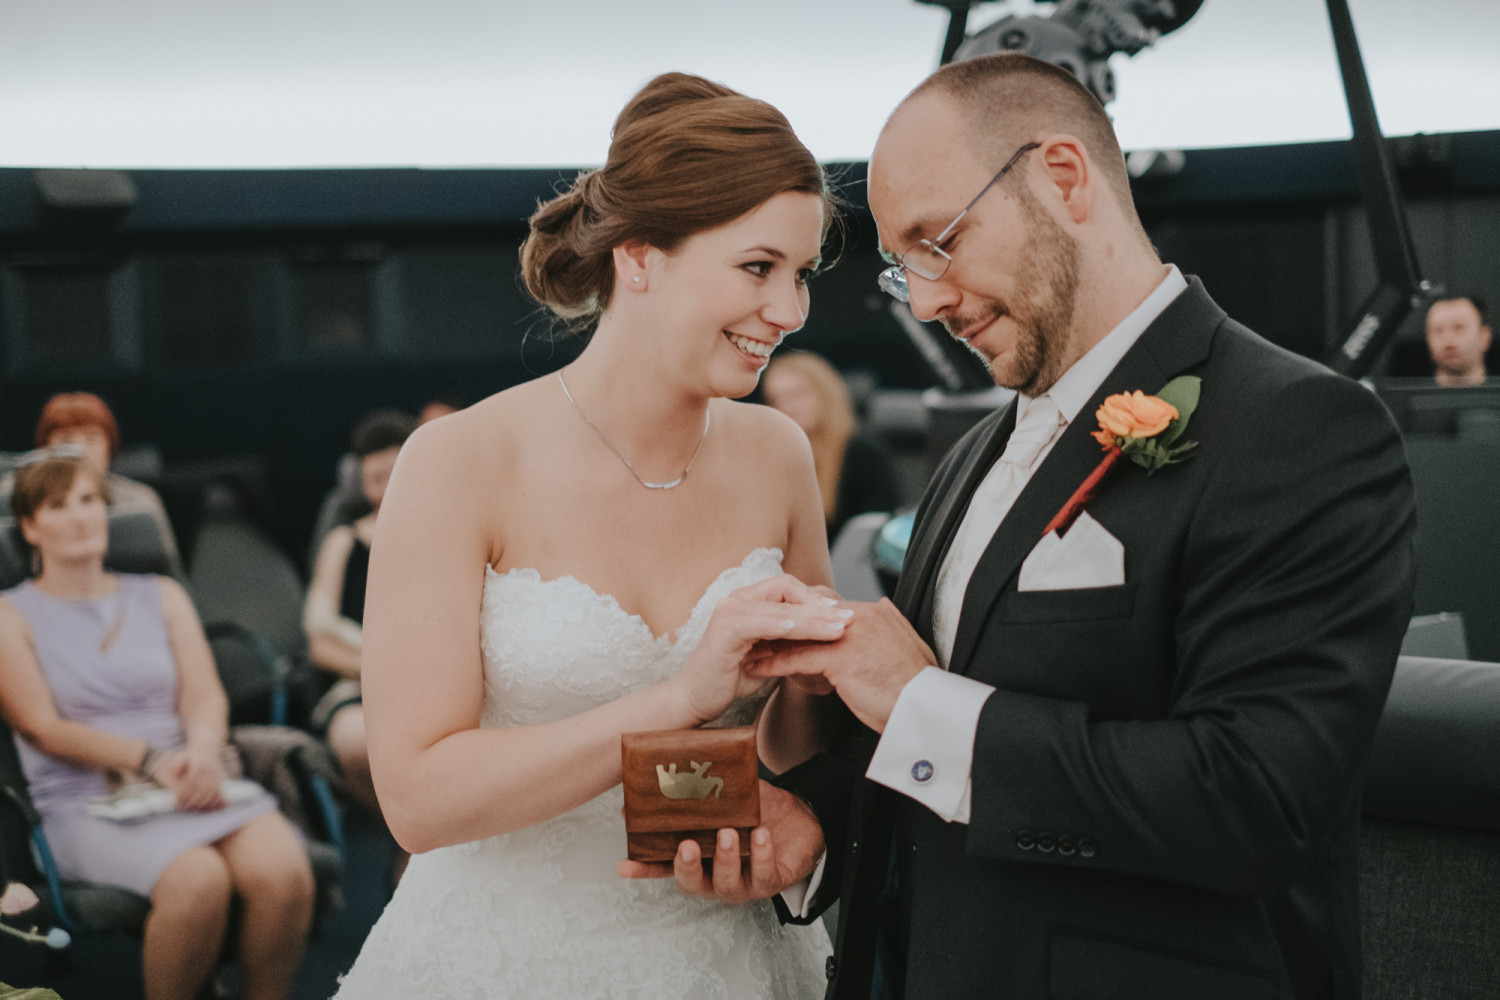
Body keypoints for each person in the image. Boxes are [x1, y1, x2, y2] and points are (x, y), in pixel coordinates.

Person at [657, 54, 1418, 1000]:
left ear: (1063, 177)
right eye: (906, 269)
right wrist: (817, 817)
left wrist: (915, 700)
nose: (928, 300)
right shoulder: (972, 454)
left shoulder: (1302, 427)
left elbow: (1254, 803)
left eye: (938, 242)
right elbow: (950, 755)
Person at [332, 72, 850, 999]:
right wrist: (683, 694)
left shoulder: (777, 453)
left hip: (729, 953)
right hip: (500, 960)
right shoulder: (459, 460)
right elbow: (415, 799)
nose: (790, 311)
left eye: (803, 274)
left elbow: (799, 741)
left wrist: (807, 797)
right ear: (641, 256)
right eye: (758, 267)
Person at [0, 451, 314, 1000]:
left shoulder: (161, 594)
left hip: (188, 776)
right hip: (84, 798)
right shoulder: (10, 614)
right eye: (58, 505)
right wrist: (151, 761)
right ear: (29, 526)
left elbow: (204, 695)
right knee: (199, 882)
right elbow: (40, 728)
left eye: (90, 500)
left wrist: (202, 753)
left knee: (285, 872)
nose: (80, 515)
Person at [304, 410, 416, 814]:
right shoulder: (343, 542)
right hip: (361, 686)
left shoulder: (442, 530)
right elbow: (320, 643)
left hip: (435, 679)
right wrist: (377, 671)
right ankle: (403, 832)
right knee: (356, 741)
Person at [2, 392, 184, 579]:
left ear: (110, 446)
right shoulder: (14, 496)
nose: (80, 451)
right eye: (66, 440)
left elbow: (171, 574)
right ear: (45, 449)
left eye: (91, 439)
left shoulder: (142, 500)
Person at [762, 351, 900, 542]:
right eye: (776, 399)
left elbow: (874, 532)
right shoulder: (774, 457)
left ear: (824, 392)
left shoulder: (862, 454)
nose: (787, 407)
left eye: (796, 394)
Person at [1425, 293, 1491, 386]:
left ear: (1485, 337)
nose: (1448, 343)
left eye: (1459, 328)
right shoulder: (1406, 399)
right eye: (1438, 331)